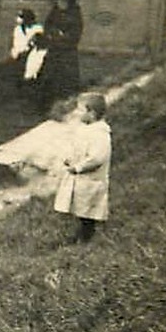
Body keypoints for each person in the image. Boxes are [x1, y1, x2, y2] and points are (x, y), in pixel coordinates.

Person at [53, 91, 111, 243]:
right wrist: (70, 159)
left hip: (92, 180)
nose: (77, 114)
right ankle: (81, 235)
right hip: (83, 180)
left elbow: (97, 158)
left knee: (89, 210)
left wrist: (78, 167)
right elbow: (79, 149)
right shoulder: (88, 130)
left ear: (91, 113)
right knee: (82, 209)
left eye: (80, 110)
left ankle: (86, 238)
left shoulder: (100, 133)